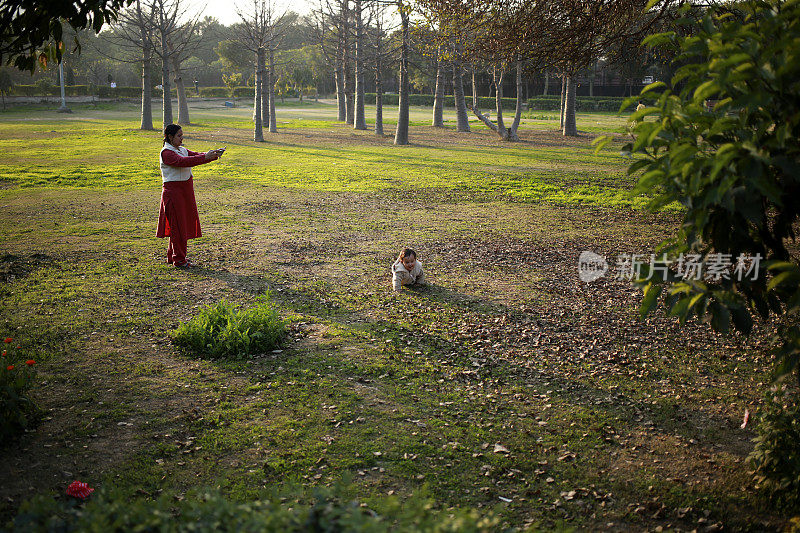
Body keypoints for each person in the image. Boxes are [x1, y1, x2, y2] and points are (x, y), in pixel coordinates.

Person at [156, 124, 224, 268]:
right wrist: (206, 157)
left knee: (179, 226)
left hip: (184, 191)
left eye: (182, 135)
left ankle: (173, 256)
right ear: (170, 137)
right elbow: (183, 162)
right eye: (179, 136)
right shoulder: (166, 153)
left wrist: (212, 154)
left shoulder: (181, 149)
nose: (182, 138)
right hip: (174, 193)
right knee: (178, 227)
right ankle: (179, 260)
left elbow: (195, 155)